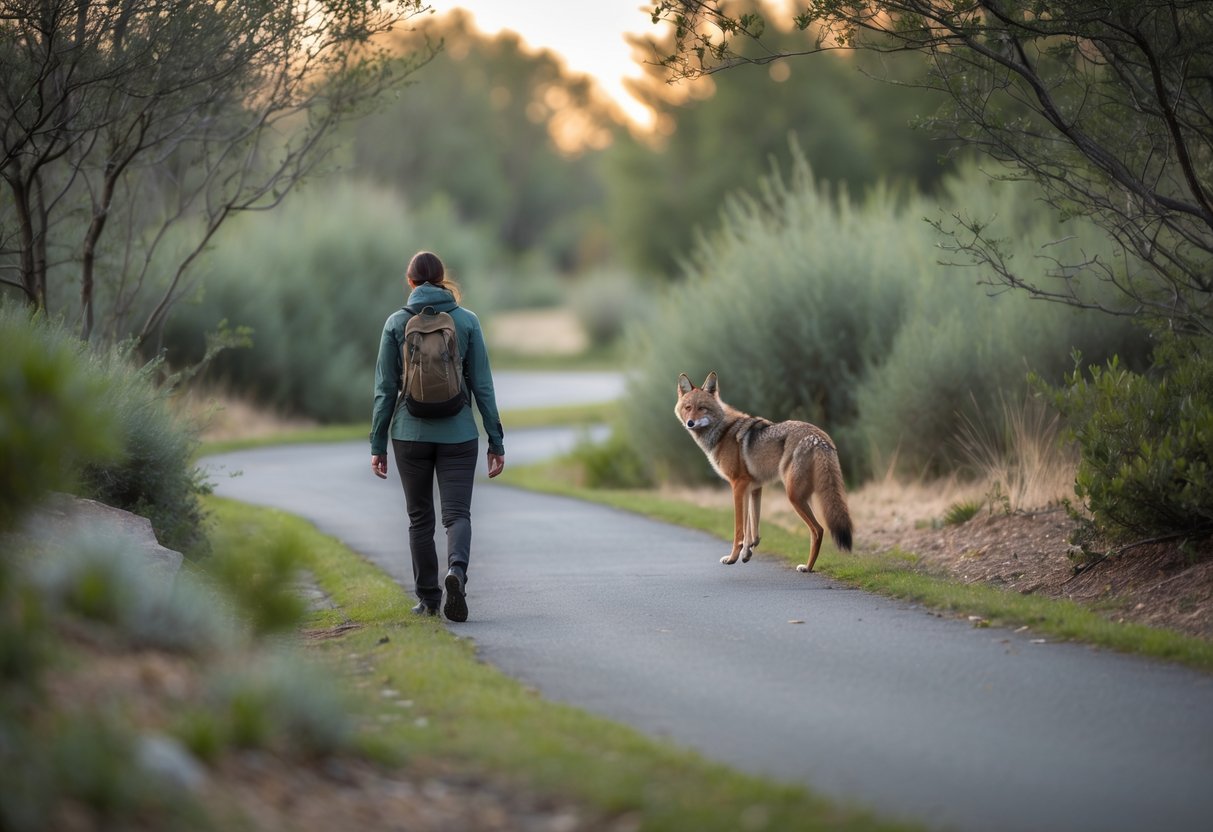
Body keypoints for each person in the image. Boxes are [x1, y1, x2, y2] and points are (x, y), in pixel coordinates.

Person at [370, 251, 505, 622]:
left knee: (419, 520)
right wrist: (496, 440)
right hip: (459, 433)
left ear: (410, 281)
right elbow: (483, 386)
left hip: (408, 433)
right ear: (443, 279)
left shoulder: (396, 323)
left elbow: (384, 390)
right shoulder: (467, 322)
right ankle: (456, 572)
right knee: (457, 514)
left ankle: (429, 599)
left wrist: (377, 444)